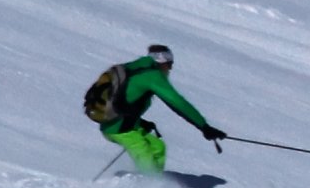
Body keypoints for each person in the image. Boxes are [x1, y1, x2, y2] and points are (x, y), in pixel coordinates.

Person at [93, 44, 226, 173]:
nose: (170, 69)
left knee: (158, 147)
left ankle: (153, 181)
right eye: (169, 64)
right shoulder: (152, 76)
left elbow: (126, 98)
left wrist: (140, 122)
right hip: (118, 129)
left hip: (120, 123)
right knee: (143, 152)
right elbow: (177, 102)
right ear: (162, 61)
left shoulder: (137, 67)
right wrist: (204, 126)